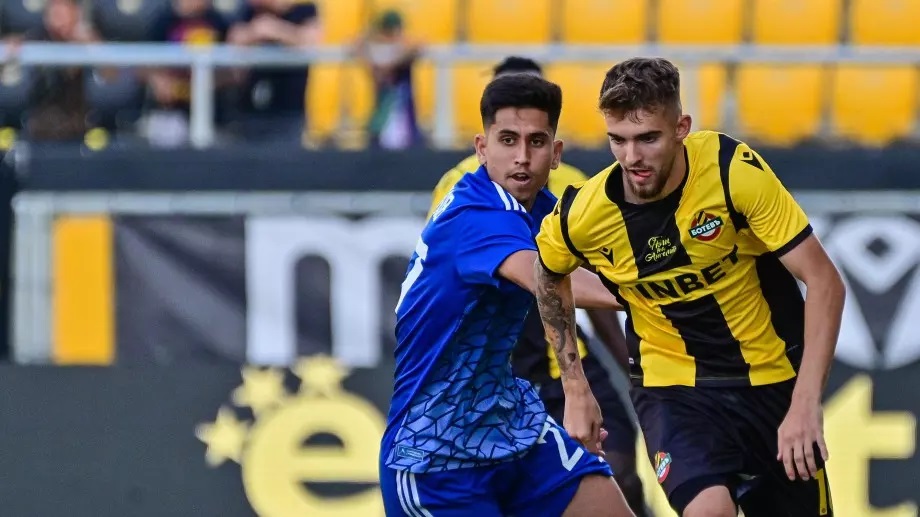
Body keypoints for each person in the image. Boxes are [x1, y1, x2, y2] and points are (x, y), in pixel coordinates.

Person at [533, 57, 845, 517]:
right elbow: (547, 273)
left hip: (773, 382)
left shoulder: (731, 172)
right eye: (618, 140)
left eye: (648, 138)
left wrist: (805, 403)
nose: (631, 158)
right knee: (708, 512)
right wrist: (576, 389)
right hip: (672, 389)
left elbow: (824, 281)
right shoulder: (585, 214)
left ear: (681, 128)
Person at [381, 73, 634, 516]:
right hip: (435, 452)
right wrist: (654, 292)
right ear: (482, 148)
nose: (522, 157)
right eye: (508, 140)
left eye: (536, 142)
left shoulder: (546, 210)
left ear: (556, 153)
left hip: (510, 424)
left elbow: (613, 264)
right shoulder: (476, 214)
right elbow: (548, 280)